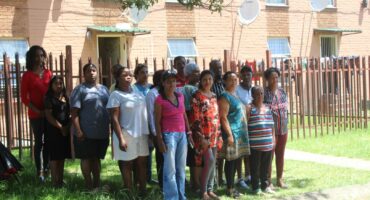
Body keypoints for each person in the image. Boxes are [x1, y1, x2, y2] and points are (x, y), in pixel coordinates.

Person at [107, 66, 149, 195]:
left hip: (141, 134)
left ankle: (142, 191)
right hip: (126, 134)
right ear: (118, 78)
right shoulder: (116, 95)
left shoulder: (136, 92)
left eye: (130, 74)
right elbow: (114, 119)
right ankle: (129, 192)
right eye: (125, 74)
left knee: (142, 163)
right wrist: (120, 138)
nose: (128, 76)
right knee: (127, 164)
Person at [155, 70, 194, 200]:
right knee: (170, 170)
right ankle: (172, 197)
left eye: (174, 81)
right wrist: (160, 140)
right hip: (168, 135)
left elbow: (183, 115)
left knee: (181, 168)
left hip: (182, 134)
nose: (172, 84)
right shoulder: (159, 99)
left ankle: (181, 196)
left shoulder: (180, 96)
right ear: (163, 83)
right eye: (169, 82)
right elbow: (157, 122)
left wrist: (188, 132)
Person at [70, 63, 110, 190]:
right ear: (84, 74)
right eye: (88, 71)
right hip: (84, 133)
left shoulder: (104, 89)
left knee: (96, 159)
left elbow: (109, 108)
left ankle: (97, 184)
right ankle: (88, 185)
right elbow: (74, 113)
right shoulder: (79, 90)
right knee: (86, 158)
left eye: (94, 70)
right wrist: (78, 130)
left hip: (101, 132)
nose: (92, 73)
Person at [21, 45, 52, 181]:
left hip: (49, 114)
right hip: (35, 115)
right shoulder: (27, 75)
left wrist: (49, 111)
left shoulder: (48, 73)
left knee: (49, 142)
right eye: (36, 55)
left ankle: (48, 169)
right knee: (39, 142)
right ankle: (39, 172)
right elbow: (24, 98)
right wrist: (38, 111)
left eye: (41, 55)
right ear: (31, 58)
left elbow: (52, 93)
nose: (39, 58)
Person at [190, 70, 222, 200]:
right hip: (203, 135)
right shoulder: (196, 96)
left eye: (209, 79)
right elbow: (195, 118)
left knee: (213, 162)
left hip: (214, 134)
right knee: (208, 160)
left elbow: (217, 116)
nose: (207, 81)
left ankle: (210, 189)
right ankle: (203, 192)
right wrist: (201, 137)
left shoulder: (214, 95)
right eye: (205, 79)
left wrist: (219, 135)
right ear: (200, 81)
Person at [218, 71, 250, 198]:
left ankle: (232, 185)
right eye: (230, 79)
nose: (234, 82)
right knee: (230, 161)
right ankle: (230, 188)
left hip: (240, 133)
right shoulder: (225, 96)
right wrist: (229, 135)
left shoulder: (235, 94)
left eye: (235, 79)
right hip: (232, 133)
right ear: (225, 81)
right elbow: (223, 117)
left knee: (236, 160)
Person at [246, 86, 275, 194]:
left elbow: (272, 126)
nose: (260, 96)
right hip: (255, 145)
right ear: (252, 95)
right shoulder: (249, 108)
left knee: (265, 167)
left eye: (261, 93)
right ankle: (255, 187)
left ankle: (265, 185)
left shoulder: (267, 108)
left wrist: (273, 140)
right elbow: (245, 125)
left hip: (267, 143)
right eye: (257, 94)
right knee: (255, 167)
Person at [263, 67, 289, 189]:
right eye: (272, 77)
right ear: (267, 79)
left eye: (276, 77)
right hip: (270, 131)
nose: (275, 79)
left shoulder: (282, 92)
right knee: (270, 155)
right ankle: (268, 181)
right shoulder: (263, 93)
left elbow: (285, 109)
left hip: (283, 129)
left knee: (281, 154)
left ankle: (279, 179)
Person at [44, 75, 71, 187]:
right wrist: (60, 127)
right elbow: (49, 116)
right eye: (56, 83)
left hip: (65, 131)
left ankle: (60, 180)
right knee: (55, 157)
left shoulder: (66, 97)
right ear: (51, 85)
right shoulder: (48, 98)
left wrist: (67, 127)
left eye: (61, 83)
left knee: (62, 156)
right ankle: (55, 182)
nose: (59, 85)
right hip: (53, 131)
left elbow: (69, 113)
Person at [132, 64, 154, 184]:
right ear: (136, 75)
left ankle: (147, 178)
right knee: (139, 153)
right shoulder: (132, 89)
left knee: (149, 151)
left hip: (151, 123)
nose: (145, 75)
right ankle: (137, 179)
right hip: (138, 125)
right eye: (142, 72)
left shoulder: (152, 88)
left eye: (146, 72)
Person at [181, 62, 201, 192]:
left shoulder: (196, 87)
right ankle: (196, 184)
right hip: (194, 126)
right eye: (196, 72)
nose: (198, 74)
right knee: (195, 155)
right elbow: (189, 110)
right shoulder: (189, 89)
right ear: (188, 75)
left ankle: (197, 182)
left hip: (197, 126)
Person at [146, 70, 165, 188]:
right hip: (158, 131)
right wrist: (154, 133)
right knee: (161, 158)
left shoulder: (168, 92)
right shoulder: (152, 94)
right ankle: (162, 184)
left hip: (169, 130)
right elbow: (150, 115)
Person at [235, 65, 253, 189]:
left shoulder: (255, 89)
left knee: (250, 152)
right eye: (244, 74)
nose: (246, 77)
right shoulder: (236, 89)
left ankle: (249, 175)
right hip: (241, 124)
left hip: (253, 124)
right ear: (240, 76)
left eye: (248, 74)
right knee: (240, 152)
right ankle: (240, 178)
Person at [209, 60, 225, 187]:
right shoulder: (209, 83)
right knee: (214, 154)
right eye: (216, 68)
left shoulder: (223, 82)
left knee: (222, 152)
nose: (219, 70)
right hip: (213, 122)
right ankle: (213, 180)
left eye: (220, 68)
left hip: (224, 120)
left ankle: (221, 178)